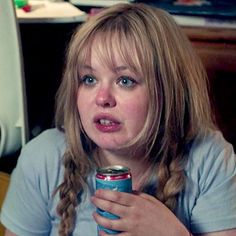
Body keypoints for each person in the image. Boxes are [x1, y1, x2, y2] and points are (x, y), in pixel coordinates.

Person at [1, 3, 236, 236]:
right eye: (89, 79)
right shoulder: (43, 157)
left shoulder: (210, 159)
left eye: (125, 80)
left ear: (169, 91)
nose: (102, 98)